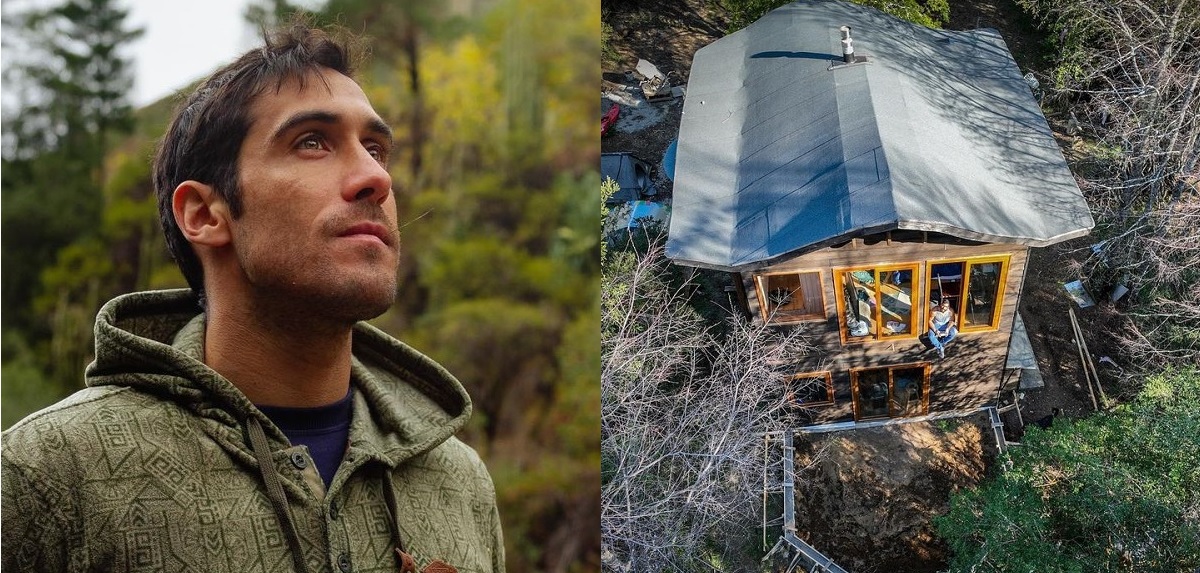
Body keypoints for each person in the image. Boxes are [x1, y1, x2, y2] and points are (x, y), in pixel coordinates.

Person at [2, 18, 504, 573]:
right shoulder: (47, 475)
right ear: (204, 214)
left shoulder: (459, 481)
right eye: (311, 142)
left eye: (377, 149)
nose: (376, 179)